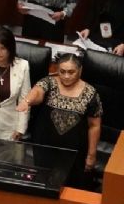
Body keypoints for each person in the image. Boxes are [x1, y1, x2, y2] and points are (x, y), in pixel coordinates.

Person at [17, 53, 102, 189]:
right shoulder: (49, 82)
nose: (66, 76)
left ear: (80, 70)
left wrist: (91, 155)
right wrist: (27, 101)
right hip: (45, 149)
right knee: (42, 185)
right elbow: (38, 92)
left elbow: (94, 126)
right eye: (62, 72)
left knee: (68, 190)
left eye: (71, 72)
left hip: (74, 154)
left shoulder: (90, 93)